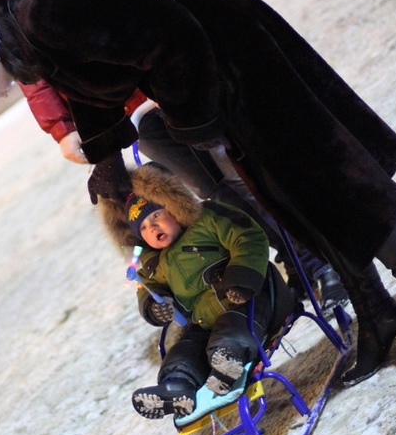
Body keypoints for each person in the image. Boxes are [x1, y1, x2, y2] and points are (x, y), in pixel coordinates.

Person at [0, 0, 396, 385]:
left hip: (231, 51)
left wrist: (193, 118)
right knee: (295, 196)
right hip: (214, 61)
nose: (4, 92)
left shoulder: (45, 17)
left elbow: (171, 36)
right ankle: (376, 310)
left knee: (319, 178)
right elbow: (96, 81)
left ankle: (384, 293)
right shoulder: (32, 30)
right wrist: (107, 155)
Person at [0, 0, 347, 309]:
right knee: (212, 190)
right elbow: (29, 68)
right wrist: (62, 127)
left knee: (248, 168)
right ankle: (299, 259)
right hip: (124, 109)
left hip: (173, 74)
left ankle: (329, 257)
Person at [99, 162, 297, 419]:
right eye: (144, 228)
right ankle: (176, 386)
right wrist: (154, 305)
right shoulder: (152, 263)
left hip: (252, 300)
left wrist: (241, 278)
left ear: (173, 206)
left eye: (156, 216)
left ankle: (228, 362)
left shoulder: (207, 220)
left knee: (230, 330)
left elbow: (247, 237)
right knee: (184, 349)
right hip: (203, 323)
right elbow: (148, 289)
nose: (152, 228)